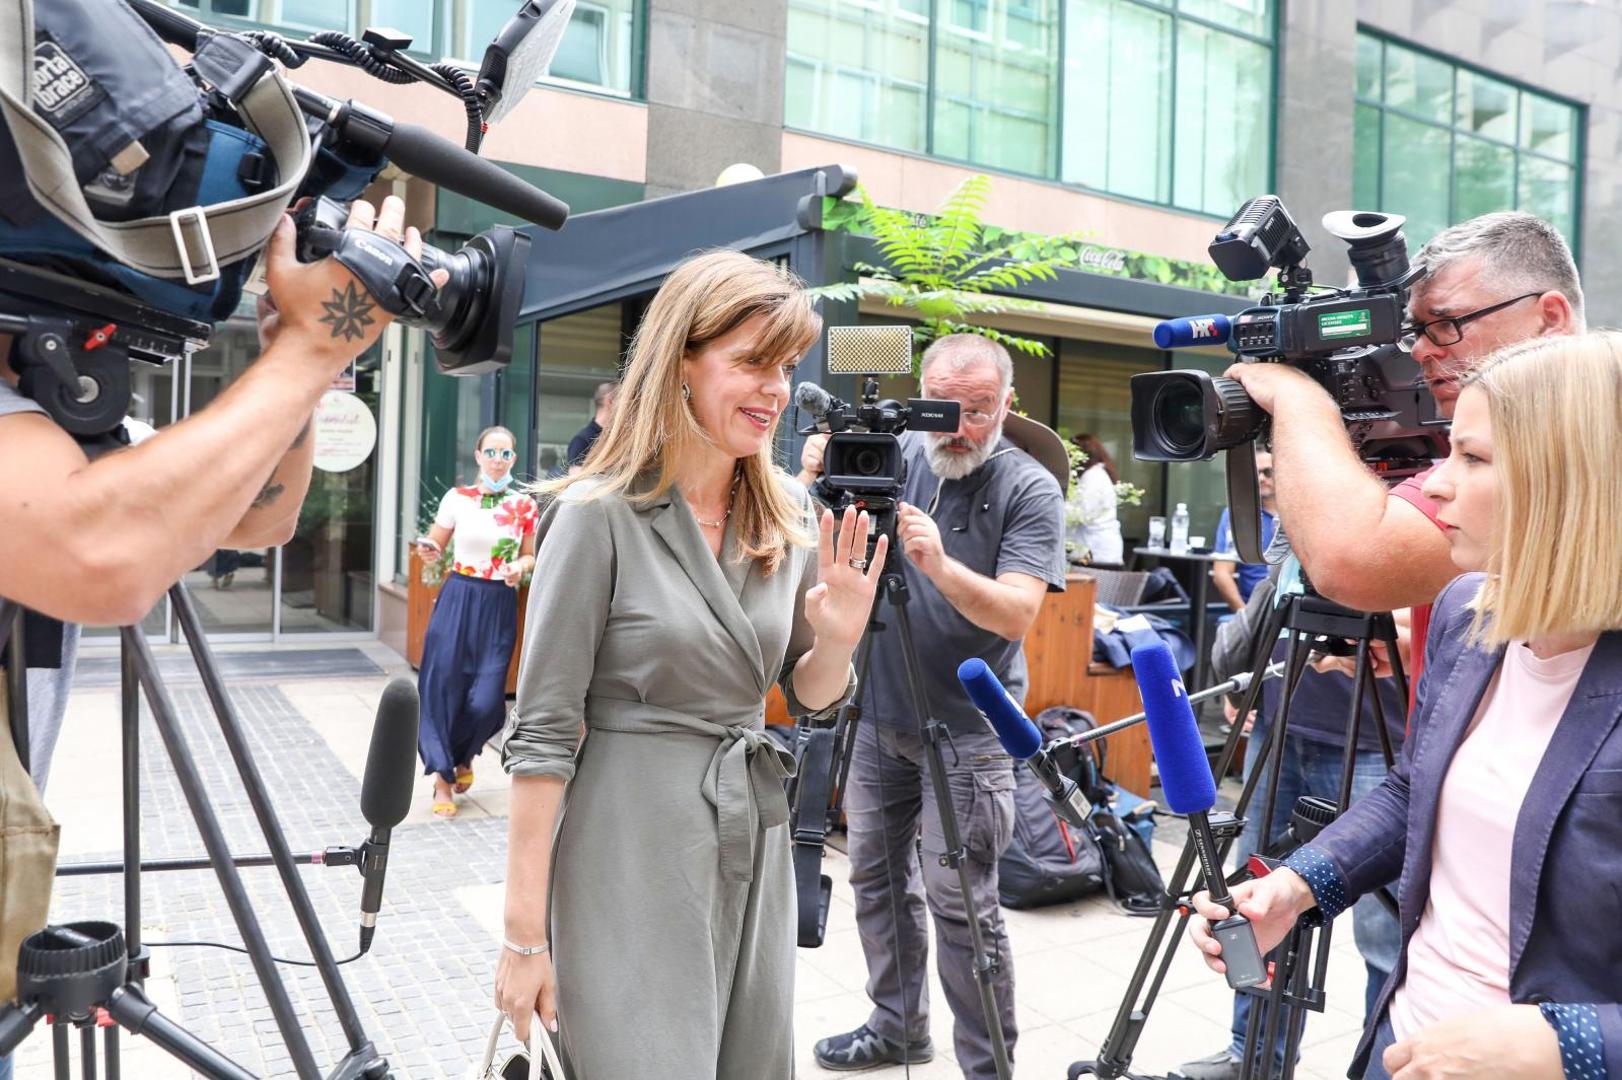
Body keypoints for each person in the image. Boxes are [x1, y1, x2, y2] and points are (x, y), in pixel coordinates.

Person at [0, 194, 443, 1080]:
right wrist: (316, 342)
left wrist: (304, 365)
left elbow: (257, 515)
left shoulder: (45, 423)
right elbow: (106, 559)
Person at [1189, 331, 1622, 1080]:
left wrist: (1570, 1045)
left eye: (1474, 459)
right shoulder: (1464, 611)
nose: (1436, 484)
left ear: (1573, 482)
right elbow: (1415, 786)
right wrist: (1298, 887)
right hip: (1402, 1047)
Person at [493, 250, 882, 1079]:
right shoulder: (597, 518)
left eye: (785, 365)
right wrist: (525, 938)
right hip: (627, 848)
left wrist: (841, 636)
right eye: (750, 362)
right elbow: (543, 735)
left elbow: (807, 697)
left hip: (752, 843)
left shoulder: (786, 516)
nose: (776, 388)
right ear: (680, 367)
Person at [805, 334, 1068, 1079]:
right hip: (875, 711)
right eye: (944, 410)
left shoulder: (1029, 486)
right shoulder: (890, 457)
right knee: (876, 882)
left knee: (961, 904)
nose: (958, 429)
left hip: (970, 731)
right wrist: (814, 484)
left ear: (1008, 403)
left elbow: (1017, 613)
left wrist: (939, 566)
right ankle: (897, 1028)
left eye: (979, 411)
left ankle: (988, 1067)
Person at [1216, 211, 1582, 701]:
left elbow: (1353, 562)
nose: (1420, 352)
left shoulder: (1572, 437)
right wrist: (1446, 652)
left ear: (1550, 317)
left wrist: (1297, 399)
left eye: (1448, 324)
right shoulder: (1469, 424)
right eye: (1417, 331)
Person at [412, 426, 537, 818]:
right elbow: (436, 544)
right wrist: (429, 550)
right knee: (444, 684)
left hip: (498, 601)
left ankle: (464, 754)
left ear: (513, 460)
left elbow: (531, 556)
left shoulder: (524, 504)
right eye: (492, 452)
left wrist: (520, 565)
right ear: (478, 455)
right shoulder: (457, 498)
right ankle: (443, 781)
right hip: (458, 596)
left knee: (486, 700)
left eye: (506, 454)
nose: (499, 460)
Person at [1211, 450, 1279, 612]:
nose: (1261, 478)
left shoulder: (1297, 515)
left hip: (1295, 611)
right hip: (1255, 609)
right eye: (1256, 473)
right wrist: (1245, 617)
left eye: (1268, 472)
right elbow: (1221, 574)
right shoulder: (1238, 514)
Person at [1072, 432, 1124, 566]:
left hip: (1098, 553)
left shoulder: (1092, 477)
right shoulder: (1097, 475)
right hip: (1101, 551)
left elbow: (1081, 514)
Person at [565, 380, 618, 473]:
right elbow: (575, 476)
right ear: (610, 401)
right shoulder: (582, 440)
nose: (630, 404)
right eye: (625, 399)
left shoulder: (618, 436)